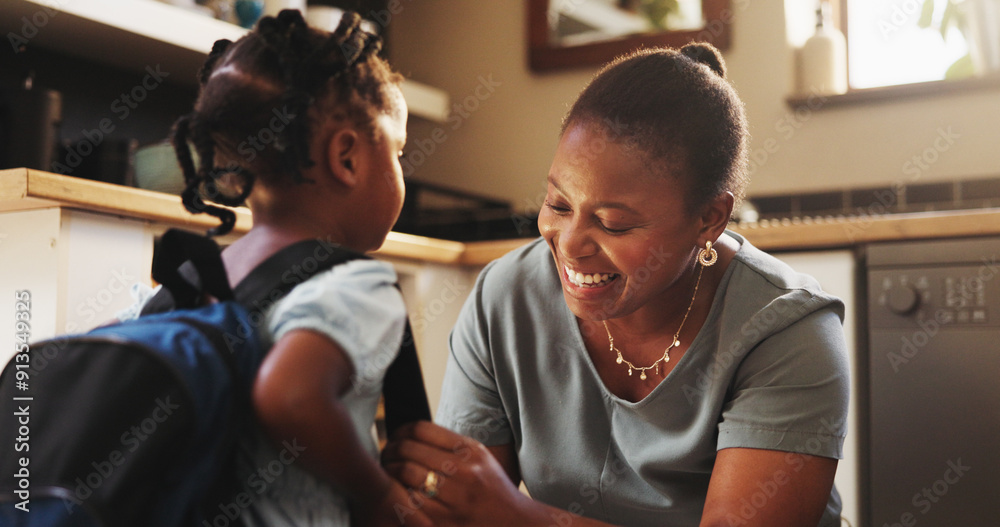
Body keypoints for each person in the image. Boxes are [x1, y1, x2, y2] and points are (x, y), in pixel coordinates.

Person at [382, 43, 849, 527]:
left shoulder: (788, 335)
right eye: (558, 205)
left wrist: (512, 513)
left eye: (613, 224)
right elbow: (458, 513)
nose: (570, 245)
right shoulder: (503, 300)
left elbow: (488, 510)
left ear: (710, 219)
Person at [118, 10, 427, 527]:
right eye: (397, 150)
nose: (400, 168)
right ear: (346, 157)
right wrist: (380, 498)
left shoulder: (182, 287)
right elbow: (290, 395)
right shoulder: (354, 281)